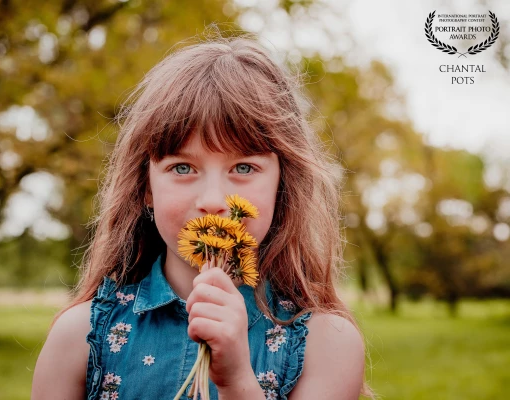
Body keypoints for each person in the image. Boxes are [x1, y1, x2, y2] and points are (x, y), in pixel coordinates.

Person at [32, 28, 376, 400]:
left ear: (283, 185)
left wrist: (238, 383)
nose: (213, 200)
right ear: (146, 188)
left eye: (243, 168)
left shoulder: (327, 345)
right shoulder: (79, 338)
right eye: (183, 168)